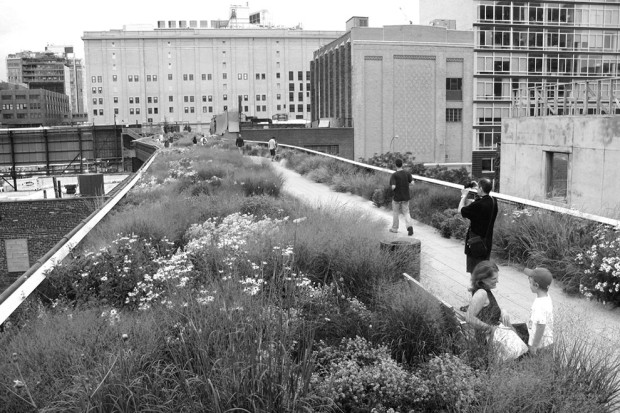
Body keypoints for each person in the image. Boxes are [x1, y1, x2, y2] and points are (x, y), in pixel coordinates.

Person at [458, 178, 499, 274]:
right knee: (483, 270)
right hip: (487, 242)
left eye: (478, 188)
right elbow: (483, 198)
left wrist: (463, 196)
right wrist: (478, 186)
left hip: (475, 243)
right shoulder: (493, 201)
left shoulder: (478, 205)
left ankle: (477, 288)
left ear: (480, 188)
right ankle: (482, 286)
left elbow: (460, 210)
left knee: (475, 272)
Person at [466, 261, 510, 341]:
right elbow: (469, 318)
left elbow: (490, 309)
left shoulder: (485, 291)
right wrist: (491, 329)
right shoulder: (481, 293)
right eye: (494, 279)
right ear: (483, 279)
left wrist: (503, 311)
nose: (497, 281)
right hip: (488, 340)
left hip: (494, 336)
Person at [525, 267, 554, 355]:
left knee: (536, 363)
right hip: (547, 342)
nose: (529, 285)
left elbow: (541, 326)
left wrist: (534, 346)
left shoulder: (540, 305)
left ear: (536, 286)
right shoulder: (546, 297)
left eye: (530, 283)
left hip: (540, 345)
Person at [389, 158, 414, 236]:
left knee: (396, 213)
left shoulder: (394, 175)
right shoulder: (407, 173)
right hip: (406, 197)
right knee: (406, 212)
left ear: (395, 165)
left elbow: (393, 187)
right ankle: (409, 227)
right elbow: (412, 183)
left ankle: (394, 228)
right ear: (402, 164)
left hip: (397, 197)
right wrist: (406, 185)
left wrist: (392, 188)